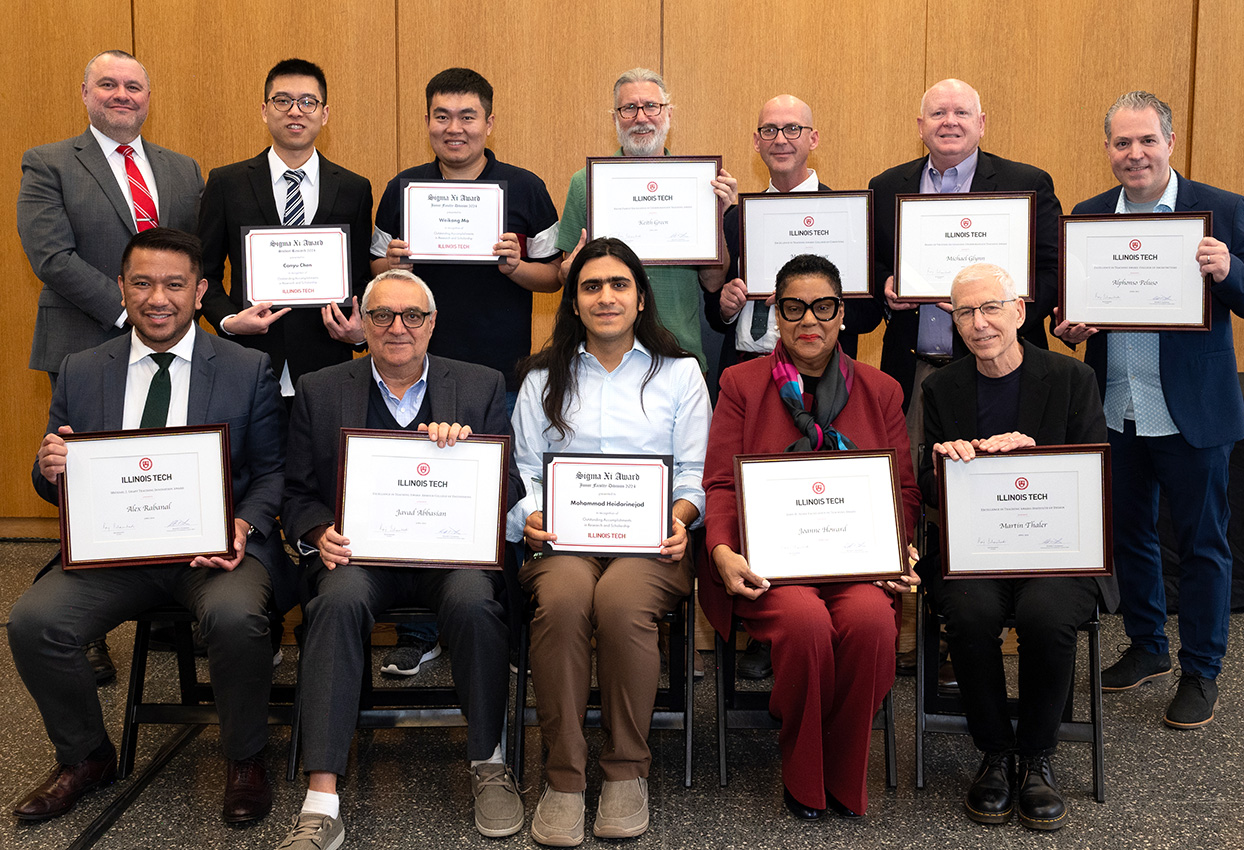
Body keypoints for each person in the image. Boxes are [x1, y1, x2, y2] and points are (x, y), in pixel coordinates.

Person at [7, 228, 291, 826]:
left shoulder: (246, 367)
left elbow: (271, 472)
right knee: (34, 622)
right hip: (115, 554)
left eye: (173, 284)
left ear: (200, 291)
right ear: (121, 288)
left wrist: (243, 523)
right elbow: (53, 478)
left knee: (238, 616)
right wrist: (49, 468)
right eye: (142, 283)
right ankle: (86, 757)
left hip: (217, 553)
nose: (157, 297)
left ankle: (245, 757)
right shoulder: (81, 370)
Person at [1055, 91, 1244, 729]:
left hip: (1193, 416)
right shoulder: (1090, 216)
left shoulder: (1221, 210)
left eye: (1146, 141)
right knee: (1130, 537)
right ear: (1108, 151)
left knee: (1204, 545)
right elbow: (1067, 312)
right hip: (1116, 408)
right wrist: (1067, 329)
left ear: (1170, 143)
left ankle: (1201, 670)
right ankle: (1149, 646)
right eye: (1122, 144)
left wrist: (1229, 268)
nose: (1135, 154)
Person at [275, 270, 523, 848]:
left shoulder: (479, 386)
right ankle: (321, 796)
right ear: (362, 322)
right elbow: (298, 490)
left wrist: (469, 461)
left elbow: (509, 486)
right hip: (359, 555)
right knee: (334, 600)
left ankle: (489, 763)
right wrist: (319, 531)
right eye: (382, 315)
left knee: (473, 601)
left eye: (413, 315)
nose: (397, 328)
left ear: (432, 324)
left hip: (452, 554)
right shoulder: (320, 388)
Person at [702, 253, 921, 819]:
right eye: (794, 307)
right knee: (804, 624)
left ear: (842, 314)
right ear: (775, 313)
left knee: (872, 623)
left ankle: (842, 768)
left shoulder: (881, 390)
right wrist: (723, 551)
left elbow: (904, 490)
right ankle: (804, 770)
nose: (809, 321)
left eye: (823, 307)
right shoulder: (741, 384)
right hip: (771, 566)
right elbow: (722, 483)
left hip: (857, 565)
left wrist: (901, 544)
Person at [509, 237, 711, 845]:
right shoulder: (541, 377)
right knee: (566, 599)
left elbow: (694, 476)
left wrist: (678, 518)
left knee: (621, 603)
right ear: (572, 303)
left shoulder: (680, 375)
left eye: (618, 284)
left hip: (651, 543)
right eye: (591, 286)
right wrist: (534, 518)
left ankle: (626, 770)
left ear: (641, 298)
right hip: (563, 541)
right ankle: (564, 777)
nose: (605, 297)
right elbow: (525, 473)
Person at [18, 49, 204, 683]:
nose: (121, 95)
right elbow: (51, 255)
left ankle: (183, 599)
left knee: (168, 471)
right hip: (86, 342)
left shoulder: (182, 170)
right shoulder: (48, 162)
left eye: (133, 86)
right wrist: (132, 311)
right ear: (85, 93)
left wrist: (178, 317)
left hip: (173, 344)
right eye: (108, 85)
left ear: (148, 98)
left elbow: (195, 259)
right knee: (86, 482)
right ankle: (87, 623)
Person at [371, 67, 560, 674]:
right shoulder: (402, 189)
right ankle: (425, 627)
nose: (454, 128)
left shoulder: (525, 188)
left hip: (498, 375)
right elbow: (376, 269)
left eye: (467, 116)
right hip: (411, 374)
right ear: (428, 122)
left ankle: (496, 623)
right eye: (442, 117)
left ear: (489, 122)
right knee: (421, 495)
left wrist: (515, 266)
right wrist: (389, 261)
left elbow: (556, 274)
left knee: (498, 501)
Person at [917, 263, 1116, 831]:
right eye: (964, 313)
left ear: (1020, 311)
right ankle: (994, 753)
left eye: (990, 308)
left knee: (1046, 615)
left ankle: (1037, 755)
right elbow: (929, 489)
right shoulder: (942, 387)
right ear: (952, 321)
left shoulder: (1072, 379)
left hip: (1058, 549)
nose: (978, 324)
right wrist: (946, 464)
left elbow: (1095, 475)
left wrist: (1034, 453)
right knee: (970, 613)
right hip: (978, 550)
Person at [705, 95, 881, 678]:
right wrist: (726, 302)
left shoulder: (848, 212)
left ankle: (818, 600)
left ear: (813, 137)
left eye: (792, 129)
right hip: (752, 368)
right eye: (769, 130)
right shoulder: (735, 212)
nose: (780, 139)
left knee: (820, 482)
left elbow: (866, 309)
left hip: (822, 374)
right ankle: (771, 623)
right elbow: (716, 299)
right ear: (756, 141)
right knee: (759, 474)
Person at [870, 79, 1062, 446]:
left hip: (1000, 373)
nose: (949, 122)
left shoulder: (1025, 183)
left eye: (961, 112)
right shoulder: (887, 186)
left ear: (982, 123)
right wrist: (885, 286)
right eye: (938, 113)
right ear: (920, 125)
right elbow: (876, 262)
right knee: (917, 488)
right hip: (912, 371)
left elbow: (1053, 273)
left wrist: (1000, 309)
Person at [198, 58, 373, 404]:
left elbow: (361, 278)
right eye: (283, 101)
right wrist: (230, 321)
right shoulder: (226, 183)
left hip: (327, 362)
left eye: (308, 102)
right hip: (249, 360)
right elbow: (204, 273)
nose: (296, 111)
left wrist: (359, 333)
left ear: (324, 114)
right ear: (265, 110)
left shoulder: (355, 188)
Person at [556, 67, 737, 371]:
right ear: (615, 118)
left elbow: (713, 281)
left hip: (679, 353)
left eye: (651, 106)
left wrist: (716, 218)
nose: (641, 118)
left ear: (669, 115)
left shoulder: (699, 183)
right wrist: (568, 271)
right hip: (603, 356)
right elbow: (566, 272)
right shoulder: (584, 182)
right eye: (629, 108)